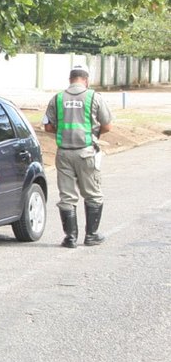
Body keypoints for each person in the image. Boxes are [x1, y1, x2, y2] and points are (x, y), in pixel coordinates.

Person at [43, 63, 113, 248]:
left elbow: (48, 126)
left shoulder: (57, 98)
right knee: (93, 195)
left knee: (67, 196)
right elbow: (107, 126)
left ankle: (70, 238)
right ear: (86, 80)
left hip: (64, 153)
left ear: (70, 79)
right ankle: (91, 235)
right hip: (87, 152)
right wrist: (91, 134)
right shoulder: (94, 97)